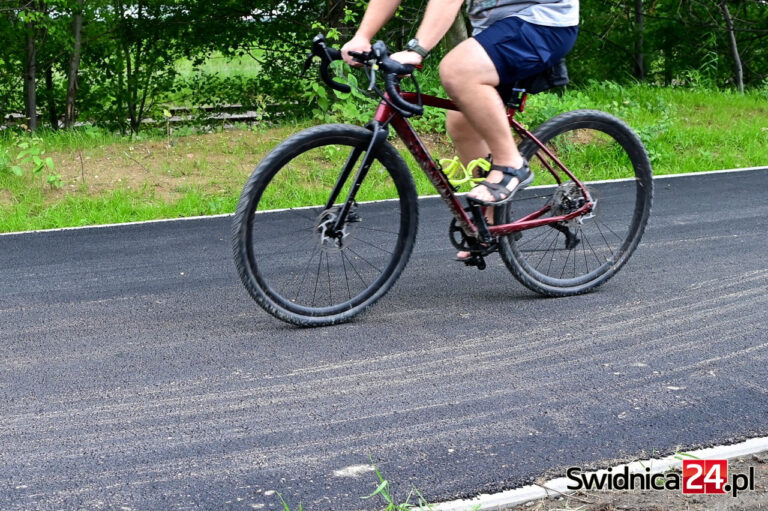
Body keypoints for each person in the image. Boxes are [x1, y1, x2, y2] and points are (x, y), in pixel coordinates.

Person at [342, 0, 579, 259]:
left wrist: (417, 49)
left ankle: (511, 164)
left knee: (457, 70)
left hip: (542, 21)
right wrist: (362, 37)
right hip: (495, 26)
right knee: (461, 122)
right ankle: (490, 222)